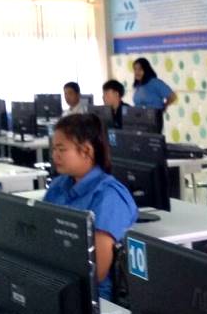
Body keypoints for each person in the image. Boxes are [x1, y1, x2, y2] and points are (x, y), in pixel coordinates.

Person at [43, 114, 137, 301]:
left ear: (86, 151)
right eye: (54, 149)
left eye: (61, 149)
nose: (55, 156)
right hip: (55, 282)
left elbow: (97, 271)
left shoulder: (109, 196)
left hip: (90, 297)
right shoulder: (59, 185)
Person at [131, 58, 177, 124]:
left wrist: (164, 106)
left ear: (146, 70)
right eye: (135, 69)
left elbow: (173, 96)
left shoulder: (155, 82)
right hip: (139, 119)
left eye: (140, 69)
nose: (137, 72)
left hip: (153, 119)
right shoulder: (138, 85)